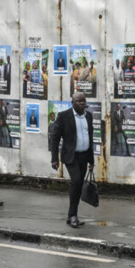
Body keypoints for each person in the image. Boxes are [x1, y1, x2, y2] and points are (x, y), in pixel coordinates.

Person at [50, 92, 95, 228]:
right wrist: (54, 158)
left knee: (79, 185)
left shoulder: (89, 116)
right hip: (71, 156)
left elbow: (90, 139)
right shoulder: (64, 116)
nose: (82, 103)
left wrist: (91, 161)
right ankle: (73, 215)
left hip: (84, 155)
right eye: (79, 101)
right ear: (73, 103)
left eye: (83, 101)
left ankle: (72, 215)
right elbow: (55, 137)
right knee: (76, 181)